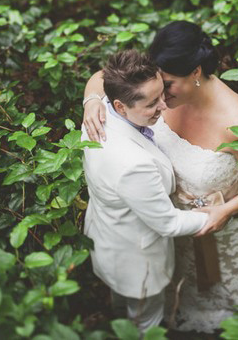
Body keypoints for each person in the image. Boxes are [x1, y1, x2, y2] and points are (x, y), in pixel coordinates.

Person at [82, 21, 238, 333]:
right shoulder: (158, 90)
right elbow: (103, 79)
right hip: (172, 233)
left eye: (169, 84)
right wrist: (91, 101)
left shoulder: (233, 120)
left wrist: (226, 210)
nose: (161, 96)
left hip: (226, 233)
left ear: (196, 73)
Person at [82, 49, 210, 334]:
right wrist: (215, 215)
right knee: (144, 322)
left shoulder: (99, 110)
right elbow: (167, 223)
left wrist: (90, 99)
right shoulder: (133, 164)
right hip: (137, 262)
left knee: (121, 304)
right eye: (152, 103)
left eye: (162, 93)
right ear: (121, 105)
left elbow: (100, 78)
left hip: (106, 236)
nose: (164, 106)